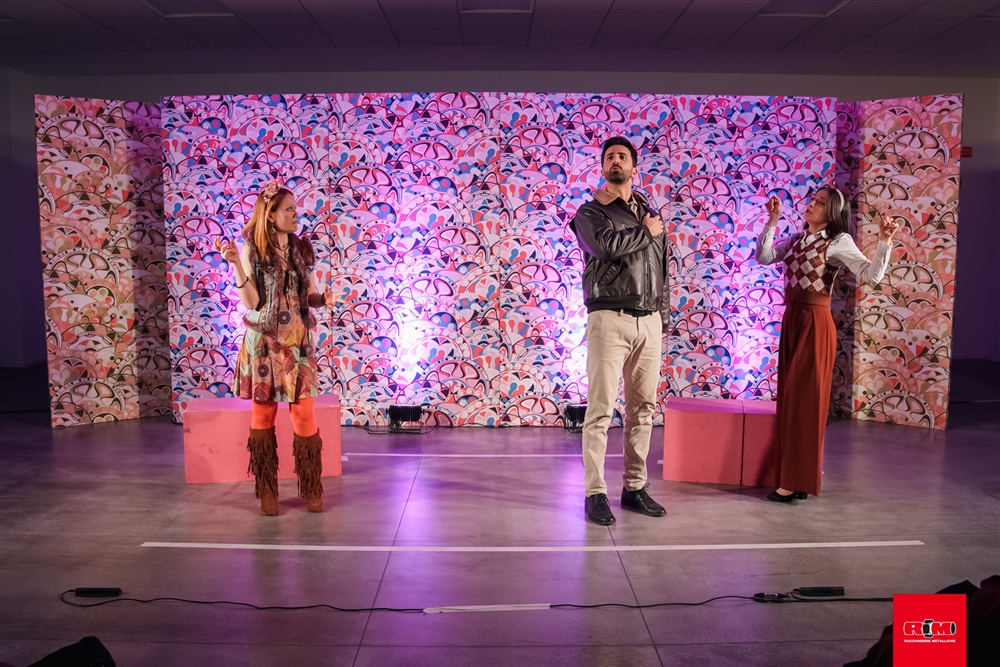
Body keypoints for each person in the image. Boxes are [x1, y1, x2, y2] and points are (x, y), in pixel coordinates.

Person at [756, 186, 899, 503]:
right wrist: (773, 220)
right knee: (792, 400)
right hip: (793, 320)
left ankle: (795, 481)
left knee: (805, 401)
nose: (812, 205)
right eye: (813, 200)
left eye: (820, 203)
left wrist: (884, 242)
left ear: (832, 213)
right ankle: (796, 478)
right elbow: (764, 257)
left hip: (815, 323)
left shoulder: (838, 241)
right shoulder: (797, 239)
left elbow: (871, 276)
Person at [214, 179, 341, 515]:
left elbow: (309, 296)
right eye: (289, 210)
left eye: (295, 209)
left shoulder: (301, 248)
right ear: (271, 215)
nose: (295, 214)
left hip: (298, 342)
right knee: (264, 413)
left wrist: (324, 300)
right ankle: (267, 490)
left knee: (304, 413)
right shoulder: (252, 250)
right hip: (265, 342)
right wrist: (235, 264)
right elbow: (252, 302)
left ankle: (311, 486)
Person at [569, 136, 670, 526]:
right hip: (609, 317)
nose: (616, 160)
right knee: (600, 410)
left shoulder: (650, 214)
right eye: (609, 156)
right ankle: (595, 493)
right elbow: (605, 247)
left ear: (633, 168)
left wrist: (661, 317)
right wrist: (646, 232)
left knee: (643, 410)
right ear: (602, 168)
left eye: (622, 156)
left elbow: (662, 270)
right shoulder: (591, 212)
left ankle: (634, 487)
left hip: (649, 320)